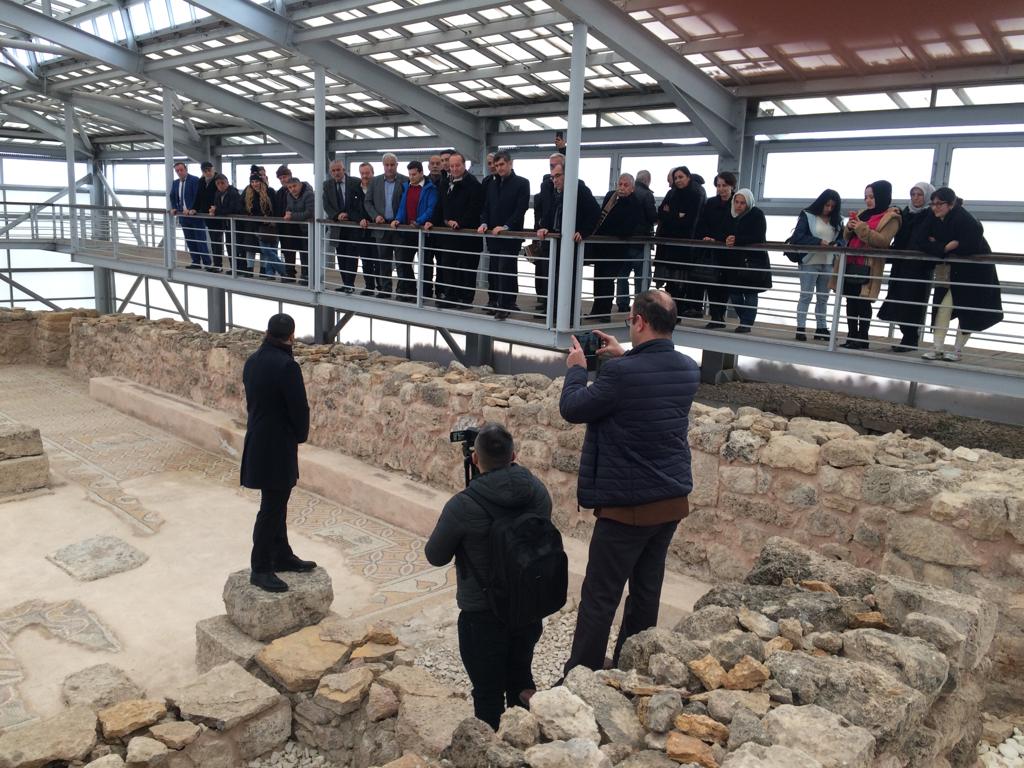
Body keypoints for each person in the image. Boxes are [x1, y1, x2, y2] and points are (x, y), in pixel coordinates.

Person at [560, 289, 699, 674]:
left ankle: (581, 675)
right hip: (670, 502)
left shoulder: (620, 374)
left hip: (627, 508)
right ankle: (630, 669)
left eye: (630, 319)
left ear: (638, 321)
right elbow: (649, 382)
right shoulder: (689, 369)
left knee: (600, 597)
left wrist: (577, 369)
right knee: (646, 591)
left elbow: (573, 408)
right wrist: (625, 355)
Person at [424, 423, 552, 730]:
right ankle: (524, 738)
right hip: (527, 607)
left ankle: (492, 746)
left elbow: (435, 555)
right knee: (521, 678)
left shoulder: (463, 505)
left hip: (482, 613)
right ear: (514, 456)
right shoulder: (537, 491)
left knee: (487, 691)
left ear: (474, 459)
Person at [240, 313, 316, 593]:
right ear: (291, 336)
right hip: (278, 445)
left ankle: (282, 555)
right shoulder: (287, 366)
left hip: (258, 440)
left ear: (267, 331)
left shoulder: (253, 361)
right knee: (271, 508)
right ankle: (260, 568)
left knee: (276, 502)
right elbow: (299, 408)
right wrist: (300, 435)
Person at [917, 187, 1003, 362]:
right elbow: (920, 239)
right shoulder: (933, 216)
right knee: (943, 307)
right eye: (933, 204)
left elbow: (970, 245)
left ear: (951, 204)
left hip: (974, 273)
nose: (935, 208)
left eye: (939, 204)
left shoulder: (964, 219)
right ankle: (937, 348)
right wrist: (946, 247)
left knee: (967, 309)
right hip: (952, 271)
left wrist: (938, 244)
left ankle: (957, 350)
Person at [833, 181, 899, 349]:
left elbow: (883, 241)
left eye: (871, 197)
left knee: (863, 301)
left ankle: (863, 337)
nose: (868, 200)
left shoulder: (891, 217)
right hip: (850, 261)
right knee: (850, 300)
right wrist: (849, 228)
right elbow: (847, 237)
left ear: (881, 196)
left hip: (868, 265)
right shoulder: (863, 213)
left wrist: (861, 228)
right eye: (866, 197)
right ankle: (851, 335)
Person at [535, 162, 601, 318]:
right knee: (553, 278)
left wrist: (583, 231)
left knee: (568, 280)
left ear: (568, 174)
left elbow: (594, 212)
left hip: (571, 244)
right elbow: (550, 214)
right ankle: (553, 311)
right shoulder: (557, 192)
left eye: (558, 176)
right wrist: (544, 227)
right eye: (552, 177)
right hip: (557, 243)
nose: (554, 180)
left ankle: (569, 314)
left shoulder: (580, 190)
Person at [878, 182, 935, 352]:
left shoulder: (931, 214)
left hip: (919, 267)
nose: (916, 198)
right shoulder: (905, 213)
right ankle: (907, 337)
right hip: (901, 264)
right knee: (898, 299)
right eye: (913, 194)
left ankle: (910, 338)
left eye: (920, 195)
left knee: (913, 302)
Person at [477, 150, 529, 320]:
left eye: (502, 164)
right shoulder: (491, 184)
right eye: (496, 165)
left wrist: (506, 226)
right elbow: (485, 206)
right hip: (493, 235)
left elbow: (521, 209)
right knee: (494, 269)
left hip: (510, 235)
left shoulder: (522, 183)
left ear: (510, 164)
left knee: (505, 269)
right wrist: (484, 222)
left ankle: (505, 305)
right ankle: (496, 301)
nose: (499, 168)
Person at [789, 189, 843, 341]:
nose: (829, 209)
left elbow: (843, 239)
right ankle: (801, 328)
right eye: (827, 205)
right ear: (821, 203)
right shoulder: (807, 215)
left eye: (832, 206)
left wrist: (837, 244)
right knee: (806, 295)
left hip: (828, 262)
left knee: (823, 298)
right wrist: (818, 242)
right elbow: (798, 237)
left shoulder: (838, 220)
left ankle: (821, 328)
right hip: (810, 261)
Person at [587, 173, 642, 323]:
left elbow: (628, 228)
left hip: (616, 249)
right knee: (598, 279)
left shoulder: (634, 203)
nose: (622, 188)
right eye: (620, 184)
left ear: (632, 188)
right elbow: (600, 217)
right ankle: (596, 310)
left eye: (625, 185)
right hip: (601, 247)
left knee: (607, 279)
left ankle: (605, 312)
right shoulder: (611, 196)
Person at [433, 151, 483, 309]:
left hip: (467, 236)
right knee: (448, 266)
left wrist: (459, 223)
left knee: (467, 269)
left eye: (457, 165)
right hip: (449, 235)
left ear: (464, 165)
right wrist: (432, 221)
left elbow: (474, 209)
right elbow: (440, 205)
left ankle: (466, 299)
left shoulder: (474, 184)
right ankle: (450, 296)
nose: (454, 168)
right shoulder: (445, 183)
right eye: (452, 166)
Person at [720, 188, 772, 332]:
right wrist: (726, 238)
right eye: (736, 202)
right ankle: (746, 320)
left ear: (748, 203)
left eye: (742, 203)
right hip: (734, 261)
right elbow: (723, 231)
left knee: (750, 292)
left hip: (752, 261)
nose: (738, 205)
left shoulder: (757, 214)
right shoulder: (730, 214)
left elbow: (758, 236)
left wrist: (736, 240)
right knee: (734, 293)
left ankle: (746, 323)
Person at [655, 166, 704, 319]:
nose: (678, 180)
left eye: (681, 177)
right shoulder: (672, 193)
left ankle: (678, 312)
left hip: (684, 246)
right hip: (670, 246)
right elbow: (661, 212)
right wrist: (677, 215)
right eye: (676, 178)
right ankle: (672, 313)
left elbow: (689, 221)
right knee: (671, 282)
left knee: (680, 281)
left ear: (688, 177)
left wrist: (671, 214)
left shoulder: (695, 194)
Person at [389, 160, 439, 301]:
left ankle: (425, 293)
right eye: (410, 174)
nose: (411, 177)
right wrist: (398, 219)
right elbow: (402, 207)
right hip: (408, 232)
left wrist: (419, 221)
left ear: (421, 173)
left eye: (414, 174)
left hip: (423, 233)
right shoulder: (407, 187)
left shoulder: (430, 188)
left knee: (425, 264)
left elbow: (431, 209)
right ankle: (411, 290)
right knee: (404, 261)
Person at [364, 153, 408, 299]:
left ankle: (401, 291)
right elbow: (367, 202)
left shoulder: (405, 180)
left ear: (397, 165)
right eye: (387, 165)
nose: (389, 168)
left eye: (392, 165)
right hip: (381, 227)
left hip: (399, 227)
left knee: (401, 261)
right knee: (383, 260)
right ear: (383, 166)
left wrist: (400, 219)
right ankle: (385, 289)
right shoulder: (375, 181)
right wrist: (375, 216)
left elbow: (408, 203)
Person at [695, 171, 736, 329]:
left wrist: (718, 238)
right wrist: (706, 236)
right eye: (718, 186)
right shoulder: (711, 203)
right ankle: (715, 316)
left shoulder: (737, 202)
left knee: (724, 284)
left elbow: (734, 226)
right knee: (711, 282)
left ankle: (719, 315)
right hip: (712, 249)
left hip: (728, 250)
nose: (721, 189)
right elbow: (703, 222)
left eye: (724, 185)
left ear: (731, 186)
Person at [617, 169, 657, 311]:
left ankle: (622, 303)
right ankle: (640, 306)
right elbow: (652, 217)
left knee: (622, 274)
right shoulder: (647, 195)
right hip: (641, 242)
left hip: (624, 242)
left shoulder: (622, 195)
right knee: (642, 276)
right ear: (648, 180)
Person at [323, 160, 365, 293]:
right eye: (333, 171)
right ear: (331, 172)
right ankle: (345, 283)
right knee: (341, 256)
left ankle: (350, 284)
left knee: (352, 255)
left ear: (344, 169)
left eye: (338, 170)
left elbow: (360, 202)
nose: (336, 173)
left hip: (353, 225)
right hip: (338, 226)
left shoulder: (355, 182)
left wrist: (350, 215)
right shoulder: (327, 185)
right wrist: (337, 215)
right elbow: (326, 205)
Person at [241, 173, 286, 279]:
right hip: (257, 227)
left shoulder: (269, 191)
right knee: (267, 250)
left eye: (256, 181)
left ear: (261, 182)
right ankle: (283, 271)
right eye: (252, 182)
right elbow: (244, 208)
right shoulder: (248, 193)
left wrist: (273, 220)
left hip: (269, 226)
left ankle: (273, 272)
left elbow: (275, 206)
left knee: (269, 251)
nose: (254, 184)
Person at [168, 162, 212, 270]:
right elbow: (172, 196)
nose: (179, 172)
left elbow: (198, 196)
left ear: (186, 169)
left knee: (200, 240)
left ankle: (207, 263)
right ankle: (196, 262)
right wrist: (174, 207)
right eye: (177, 171)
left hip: (195, 216)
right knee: (190, 240)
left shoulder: (194, 180)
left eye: (181, 170)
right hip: (183, 216)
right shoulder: (175, 183)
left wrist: (192, 208)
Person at [208, 173, 243, 274]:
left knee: (234, 246)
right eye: (218, 184)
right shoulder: (218, 193)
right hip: (226, 223)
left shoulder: (233, 193)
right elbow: (218, 206)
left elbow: (232, 209)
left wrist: (216, 211)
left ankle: (237, 268)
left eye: (222, 183)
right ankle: (233, 268)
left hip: (235, 224)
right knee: (229, 245)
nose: (220, 185)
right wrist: (213, 209)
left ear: (227, 182)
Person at [282, 177, 315, 284]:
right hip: (297, 229)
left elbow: (309, 213)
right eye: (290, 187)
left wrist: (292, 216)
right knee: (301, 252)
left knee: (307, 253)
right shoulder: (289, 195)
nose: (292, 189)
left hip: (310, 229)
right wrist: (287, 212)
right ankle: (304, 275)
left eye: (294, 186)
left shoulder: (309, 194)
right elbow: (289, 207)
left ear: (300, 185)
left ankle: (308, 276)